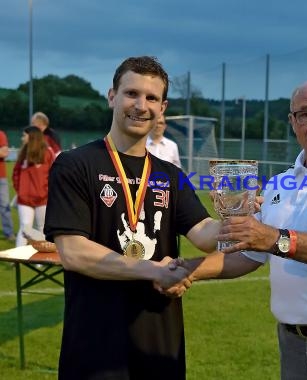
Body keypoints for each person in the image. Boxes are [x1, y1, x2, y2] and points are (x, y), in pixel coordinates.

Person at [172, 78, 307, 380]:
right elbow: (250, 255)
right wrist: (189, 269)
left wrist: (272, 238)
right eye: (306, 114)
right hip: (293, 341)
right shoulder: (280, 183)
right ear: (292, 121)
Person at [43, 56, 221, 380]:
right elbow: (73, 252)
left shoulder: (170, 174)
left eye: (152, 98)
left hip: (159, 343)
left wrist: (243, 214)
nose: (141, 105)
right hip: (95, 345)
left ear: (163, 107)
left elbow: (205, 235)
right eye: (131, 94)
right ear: (112, 96)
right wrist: (153, 270)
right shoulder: (74, 164)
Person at [12, 126, 55, 247]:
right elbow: (16, 174)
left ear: (32, 137)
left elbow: (54, 173)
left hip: (43, 199)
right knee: (25, 227)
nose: (22, 138)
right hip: (24, 199)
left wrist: (47, 191)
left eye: (24, 135)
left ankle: (41, 259)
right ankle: (18, 257)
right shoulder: (23, 153)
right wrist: (20, 191)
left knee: (42, 228)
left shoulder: (47, 152)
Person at [0, 129, 15, 241]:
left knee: (4, 205)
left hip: (1, 177)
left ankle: (9, 233)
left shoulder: (1, 134)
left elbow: (4, 152)